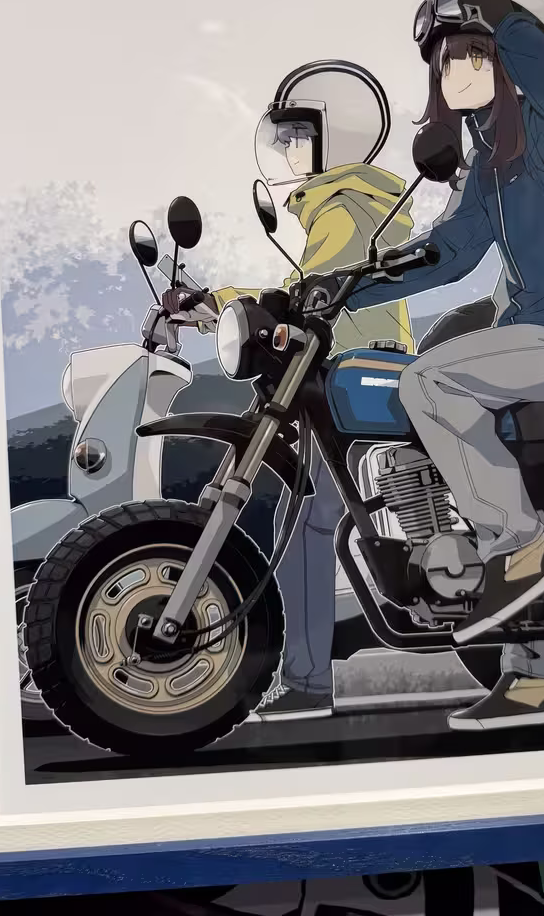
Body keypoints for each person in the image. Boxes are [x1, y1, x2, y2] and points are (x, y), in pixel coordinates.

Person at [339, 0, 544, 731]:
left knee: (432, 383)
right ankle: (538, 681)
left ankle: (521, 548)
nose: (458, 71)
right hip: (539, 337)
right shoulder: (490, 167)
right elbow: (449, 252)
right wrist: (340, 289)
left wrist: (508, 21)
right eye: (446, 61)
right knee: (456, 432)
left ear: (511, 56)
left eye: (474, 53)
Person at [186, 61, 415, 720]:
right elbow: (303, 289)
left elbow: (305, 294)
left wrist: (224, 303)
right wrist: (218, 304)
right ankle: (308, 677)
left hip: (351, 376)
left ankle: (310, 682)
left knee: (311, 524)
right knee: (311, 520)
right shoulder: (342, 205)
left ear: (335, 135)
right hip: (332, 374)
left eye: (296, 136)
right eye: (283, 138)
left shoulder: (346, 206)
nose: (286, 151)